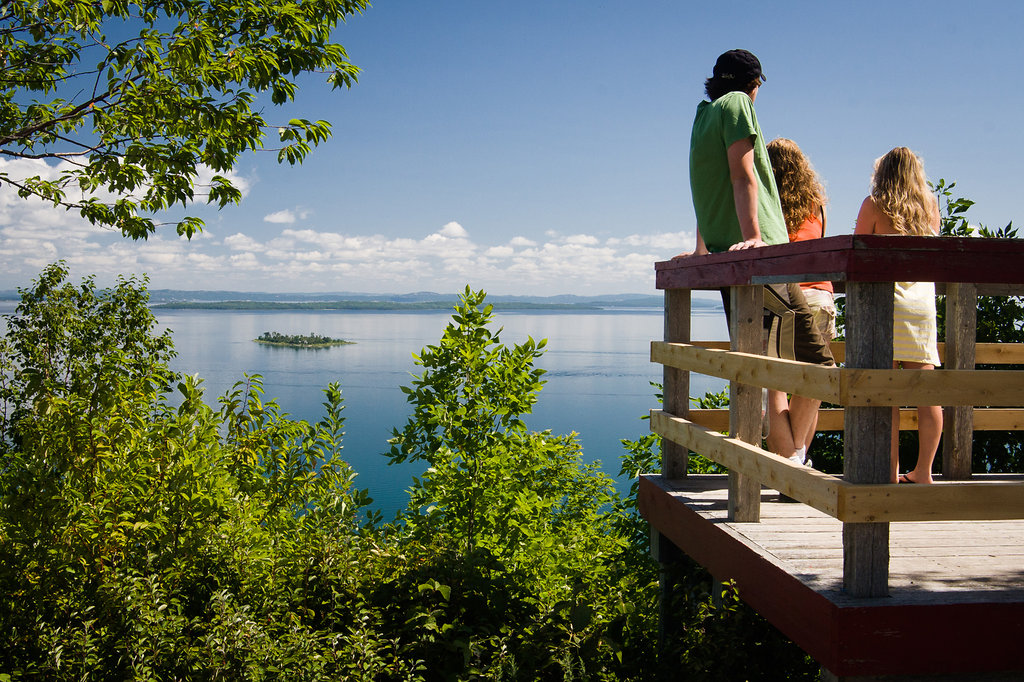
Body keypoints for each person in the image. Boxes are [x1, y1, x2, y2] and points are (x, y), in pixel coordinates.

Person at [677, 49, 834, 470]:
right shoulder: (739, 104)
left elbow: (702, 183)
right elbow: (740, 173)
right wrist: (754, 237)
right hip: (764, 262)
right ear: (754, 84)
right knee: (819, 364)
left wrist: (701, 248)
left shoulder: (702, 114)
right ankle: (792, 462)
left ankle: (786, 462)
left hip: (731, 261)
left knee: (760, 365)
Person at [854, 146, 942, 484]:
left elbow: (858, 252)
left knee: (887, 395)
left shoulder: (873, 204)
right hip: (921, 306)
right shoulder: (930, 206)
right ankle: (923, 472)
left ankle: (887, 473)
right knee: (926, 392)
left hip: (887, 305)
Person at [765, 138, 835, 466]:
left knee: (775, 383)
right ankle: (800, 461)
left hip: (786, 299)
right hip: (822, 296)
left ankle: (790, 464)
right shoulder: (817, 204)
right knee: (814, 386)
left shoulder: (768, 203)